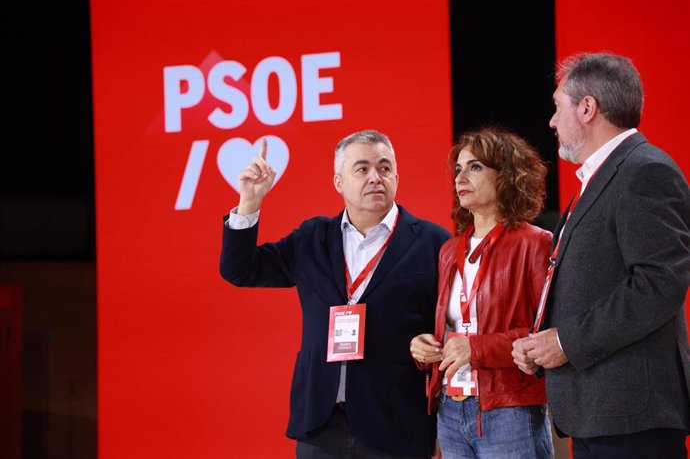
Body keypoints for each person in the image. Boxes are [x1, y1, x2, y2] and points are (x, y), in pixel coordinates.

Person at [220, 130, 451, 458]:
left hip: (398, 423)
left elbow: (453, 325)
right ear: (338, 182)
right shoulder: (313, 237)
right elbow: (240, 269)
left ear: (397, 177)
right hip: (322, 423)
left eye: (384, 169)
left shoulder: (432, 242)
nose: (375, 177)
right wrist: (250, 202)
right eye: (361, 169)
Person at [512, 52, 690, 458]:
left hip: (633, 418)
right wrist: (543, 342)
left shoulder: (645, 170)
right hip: (599, 412)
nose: (552, 122)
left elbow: (659, 283)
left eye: (558, 108)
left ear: (587, 107)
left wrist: (567, 341)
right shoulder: (602, 177)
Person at [409, 125, 554, 458]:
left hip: (509, 409)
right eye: (458, 169)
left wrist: (476, 348)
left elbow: (544, 334)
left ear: (506, 175)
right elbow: (453, 331)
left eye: (475, 167)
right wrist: (427, 347)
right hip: (450, 409)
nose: (461, 177)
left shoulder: (536, 242)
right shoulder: (448, 250)